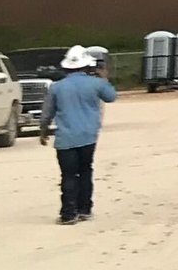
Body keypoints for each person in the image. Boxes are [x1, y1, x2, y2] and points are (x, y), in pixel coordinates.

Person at [39, 45, 115, 224]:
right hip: (88, 136)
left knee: (68, 175)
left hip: (65, 138)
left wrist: (43, 131)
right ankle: (85, 209)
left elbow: (47, 113)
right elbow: (111, 96)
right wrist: (104, 78)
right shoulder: (96, 83)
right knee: (85, 171)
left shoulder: (56, 87)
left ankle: (68, 213)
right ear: (87, 65)